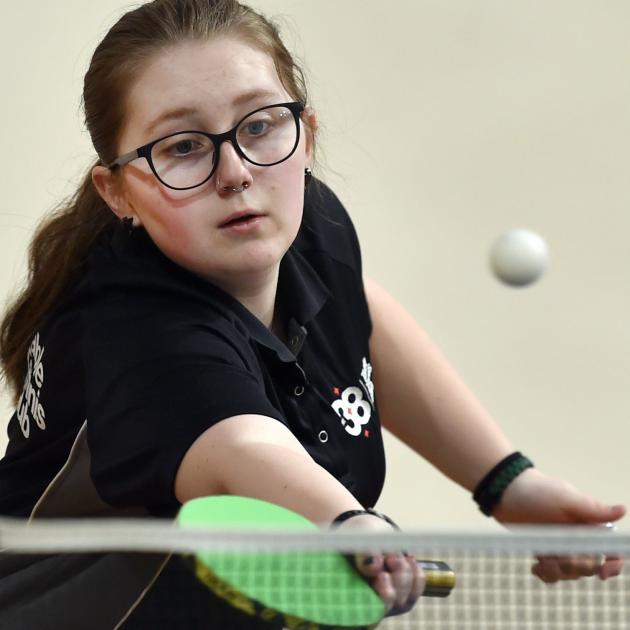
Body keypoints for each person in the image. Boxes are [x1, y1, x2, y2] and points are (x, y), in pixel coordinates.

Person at [0, 0, 625, 627]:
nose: (238, 172)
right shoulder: (136, 336)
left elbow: (357, 313)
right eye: (184, 146)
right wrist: (347, 524)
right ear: (118, 191)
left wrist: (506, 482)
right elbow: (237, 447)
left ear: (307, 135)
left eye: (260, 125)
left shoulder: (304, 227)